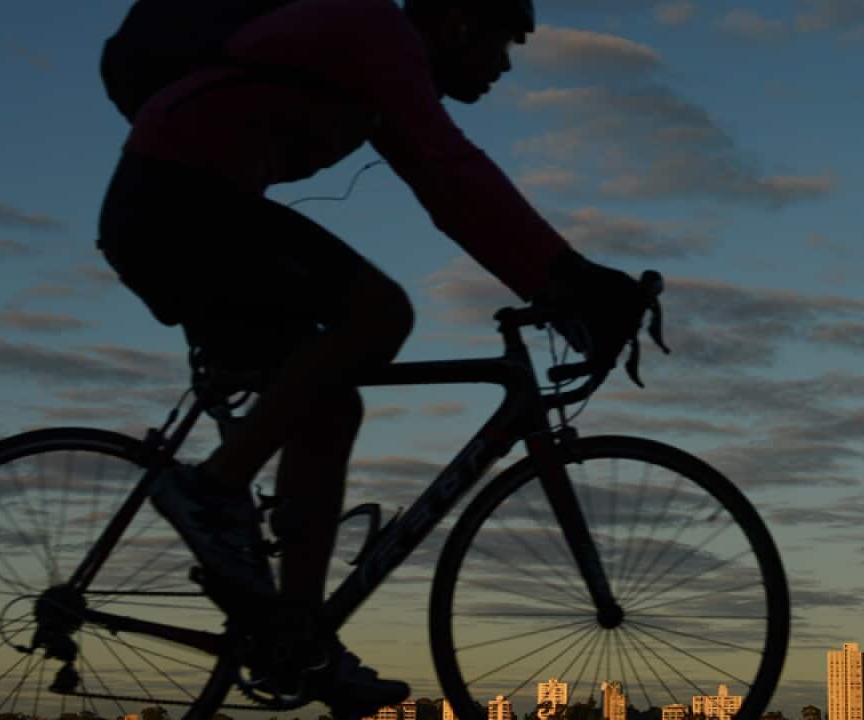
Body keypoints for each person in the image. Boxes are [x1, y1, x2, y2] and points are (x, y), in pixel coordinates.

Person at [96, 0, 648, 714]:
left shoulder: (379, 64)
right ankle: (210, 491)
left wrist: (559, 285)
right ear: (456, 20)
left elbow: (450, 196)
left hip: (187, 210)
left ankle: (298, 639)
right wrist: (573, 279)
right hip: (180, 207)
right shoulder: (375, 34)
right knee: (380, 313)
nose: (506, 65)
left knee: (329, 403)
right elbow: (454, 168)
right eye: (505, 40)